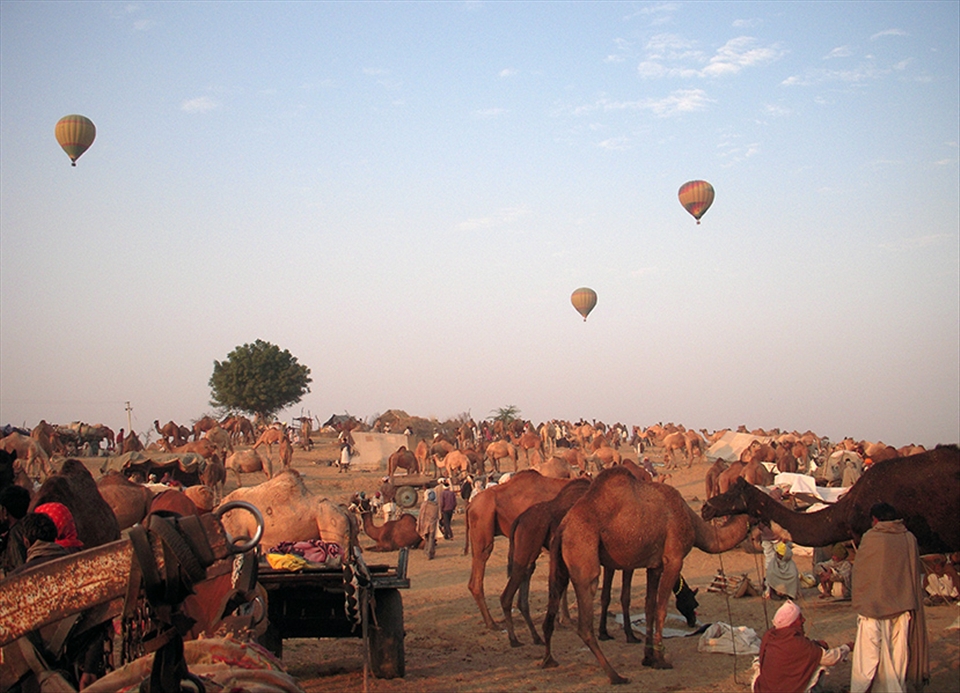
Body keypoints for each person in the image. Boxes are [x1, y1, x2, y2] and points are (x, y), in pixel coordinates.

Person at [850, 502, 929, 693]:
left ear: (875, 520)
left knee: (867, 658)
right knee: (897, 657)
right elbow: (913, 572)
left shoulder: (871, 537)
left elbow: (861, 572)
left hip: (873, 608)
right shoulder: (908, 538)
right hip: (902, 606)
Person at [752, 600, 852, 693]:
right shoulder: (797, 643)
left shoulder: (770, 635)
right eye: (800, 618)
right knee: (818, 662)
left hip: (762, 689)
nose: (804, 620)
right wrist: (847, 647)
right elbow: (830, 659)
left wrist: (816, 645)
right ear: (792, 623)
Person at [758, 523, 800, 600]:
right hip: (769, 537)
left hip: (776, 537)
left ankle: (784, 592)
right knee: (770, 565)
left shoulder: (792, 568)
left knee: (777, 559)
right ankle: (770, 590)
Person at [416, 490, 439, 560]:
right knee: (431, 538)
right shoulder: (436, 506)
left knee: (427, 538)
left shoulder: (424, 505)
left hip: (424, 524)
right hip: (432, 525)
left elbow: (421, 514)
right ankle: (430, 553)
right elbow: (437, 516)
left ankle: (427, 551)